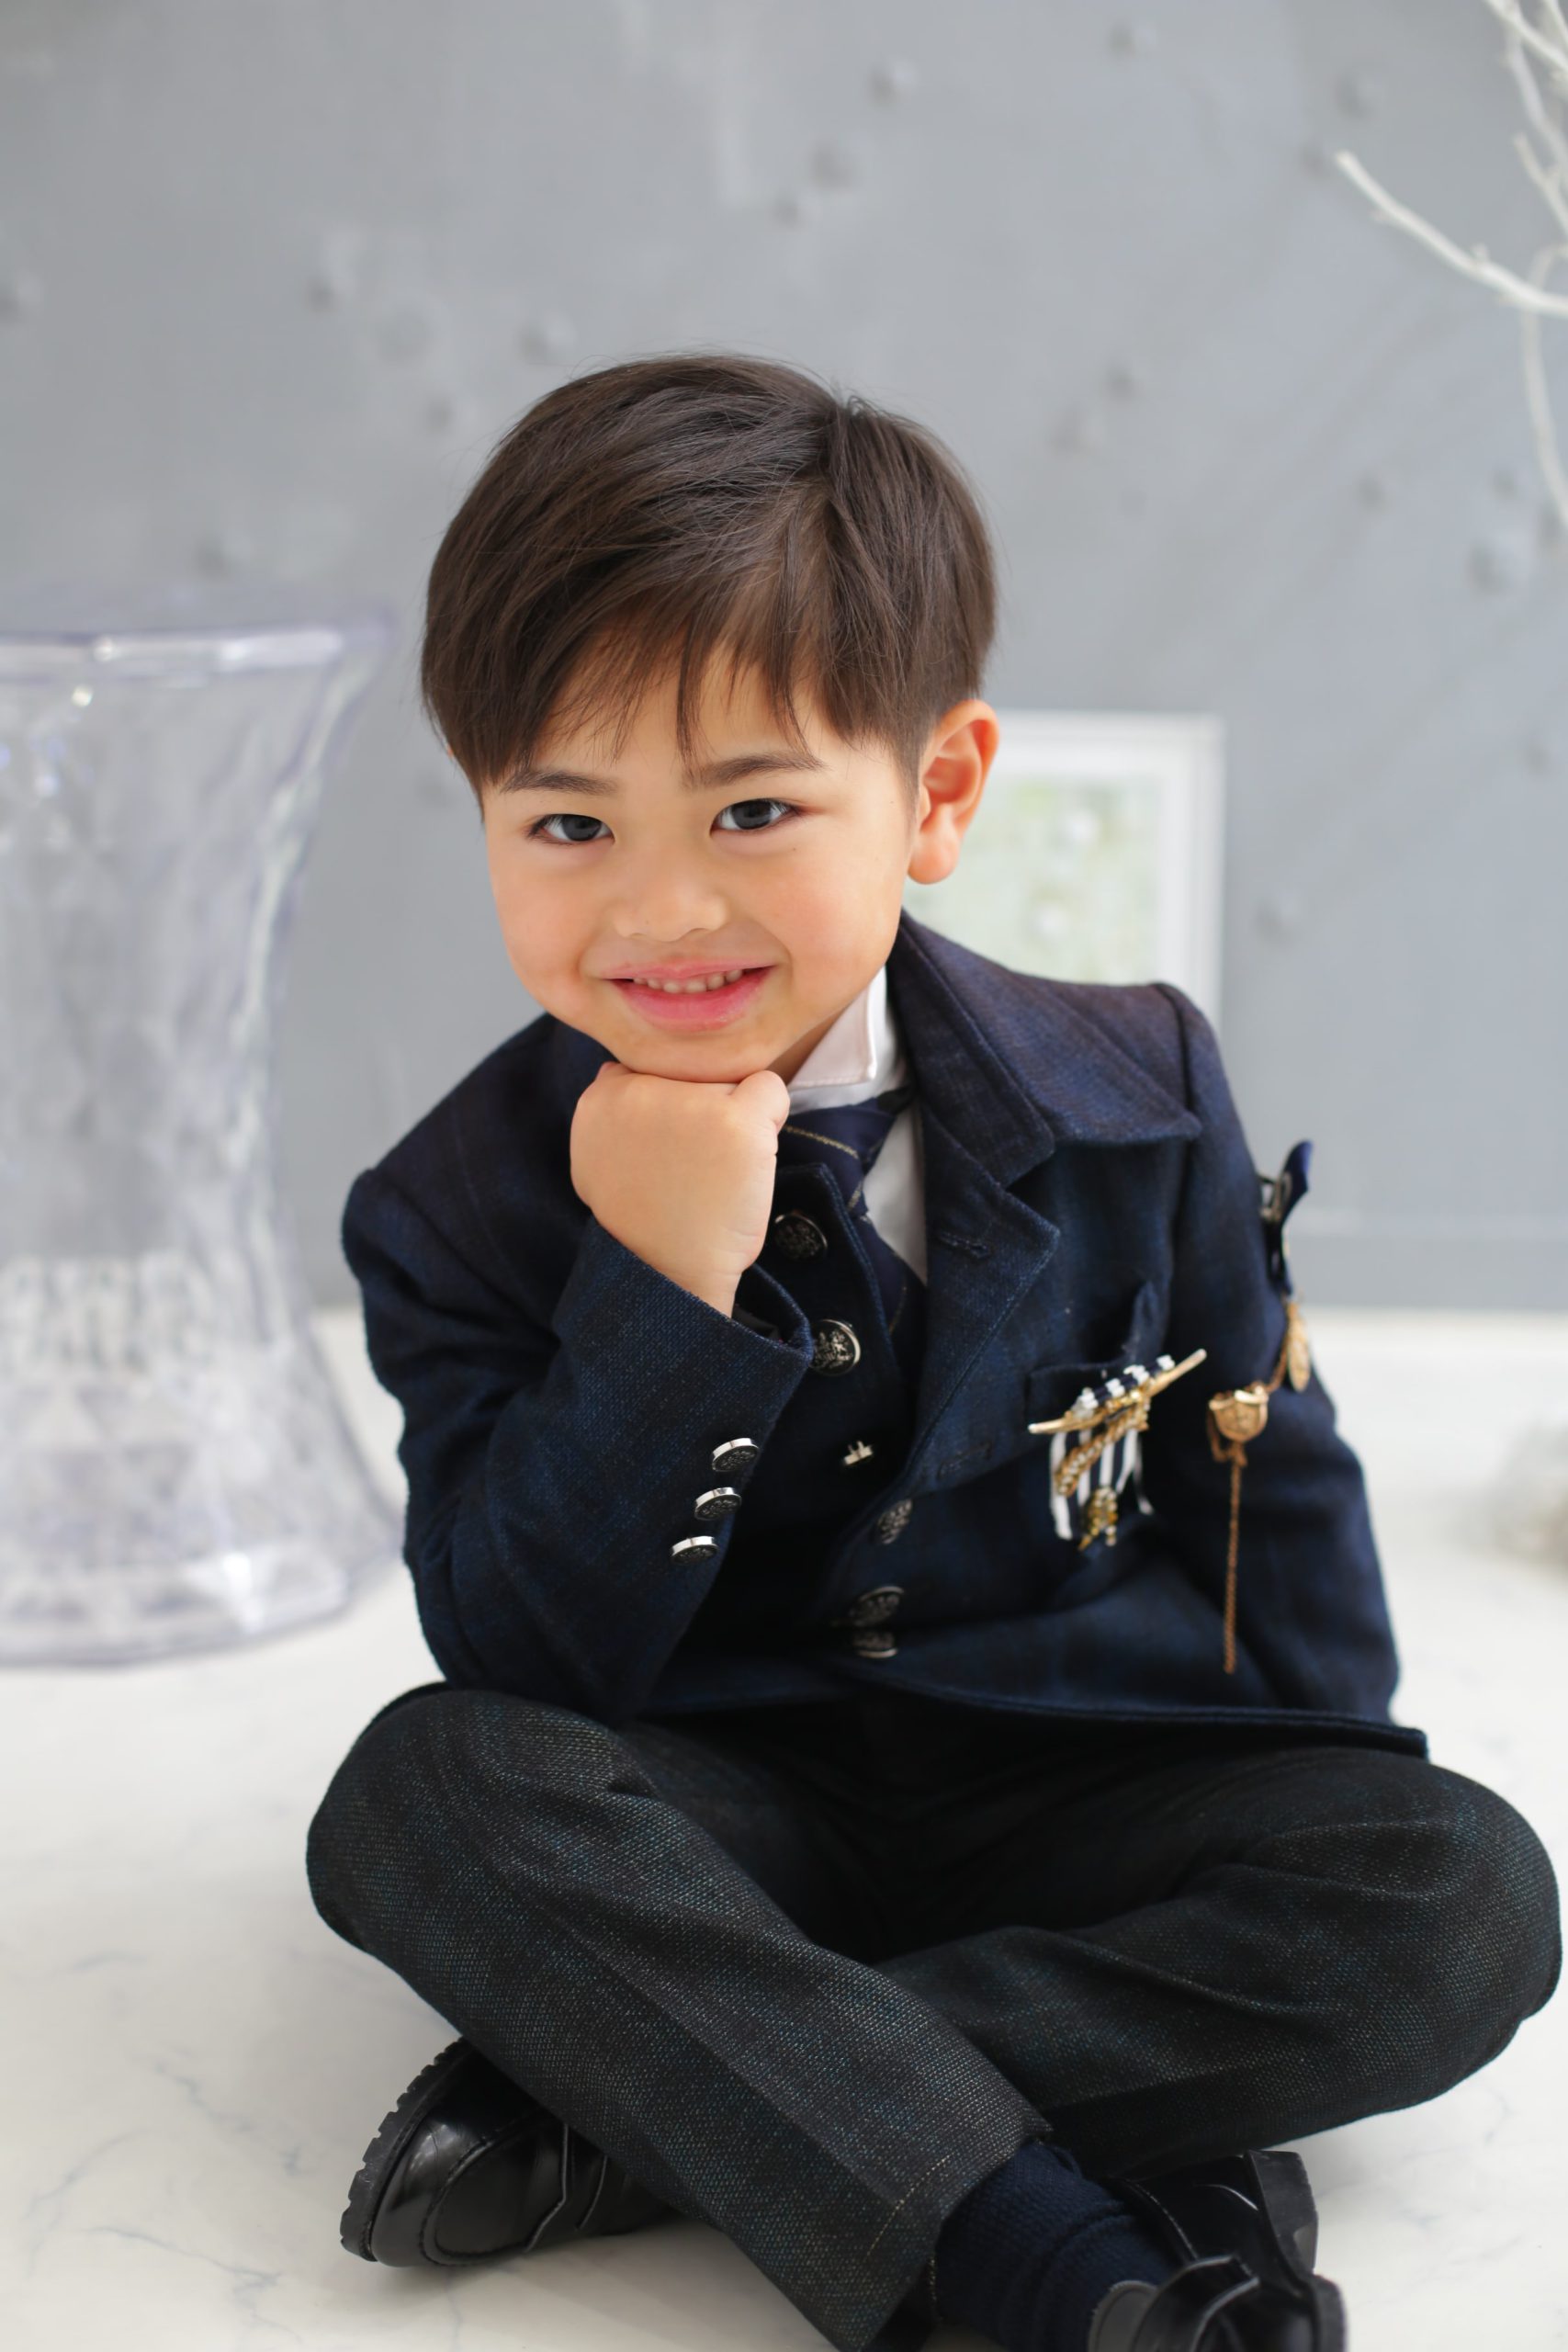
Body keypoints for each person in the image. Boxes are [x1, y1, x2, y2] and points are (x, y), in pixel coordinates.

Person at [303, 354, 1560, 2352]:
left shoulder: (1136, 1077)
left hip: (1088, 1778)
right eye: (566, 820)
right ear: (482, 816)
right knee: (415, 1795)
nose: (661, 905)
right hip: (726, 1812)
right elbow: (520, 1660)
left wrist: (1301, 1806)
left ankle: (654, 2106)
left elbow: (1266, 1480)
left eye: (753, 807)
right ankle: (1052, 2259)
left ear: (939, 793)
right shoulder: (452, 1200)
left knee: (1463, 1897)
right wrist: (658, 1280)